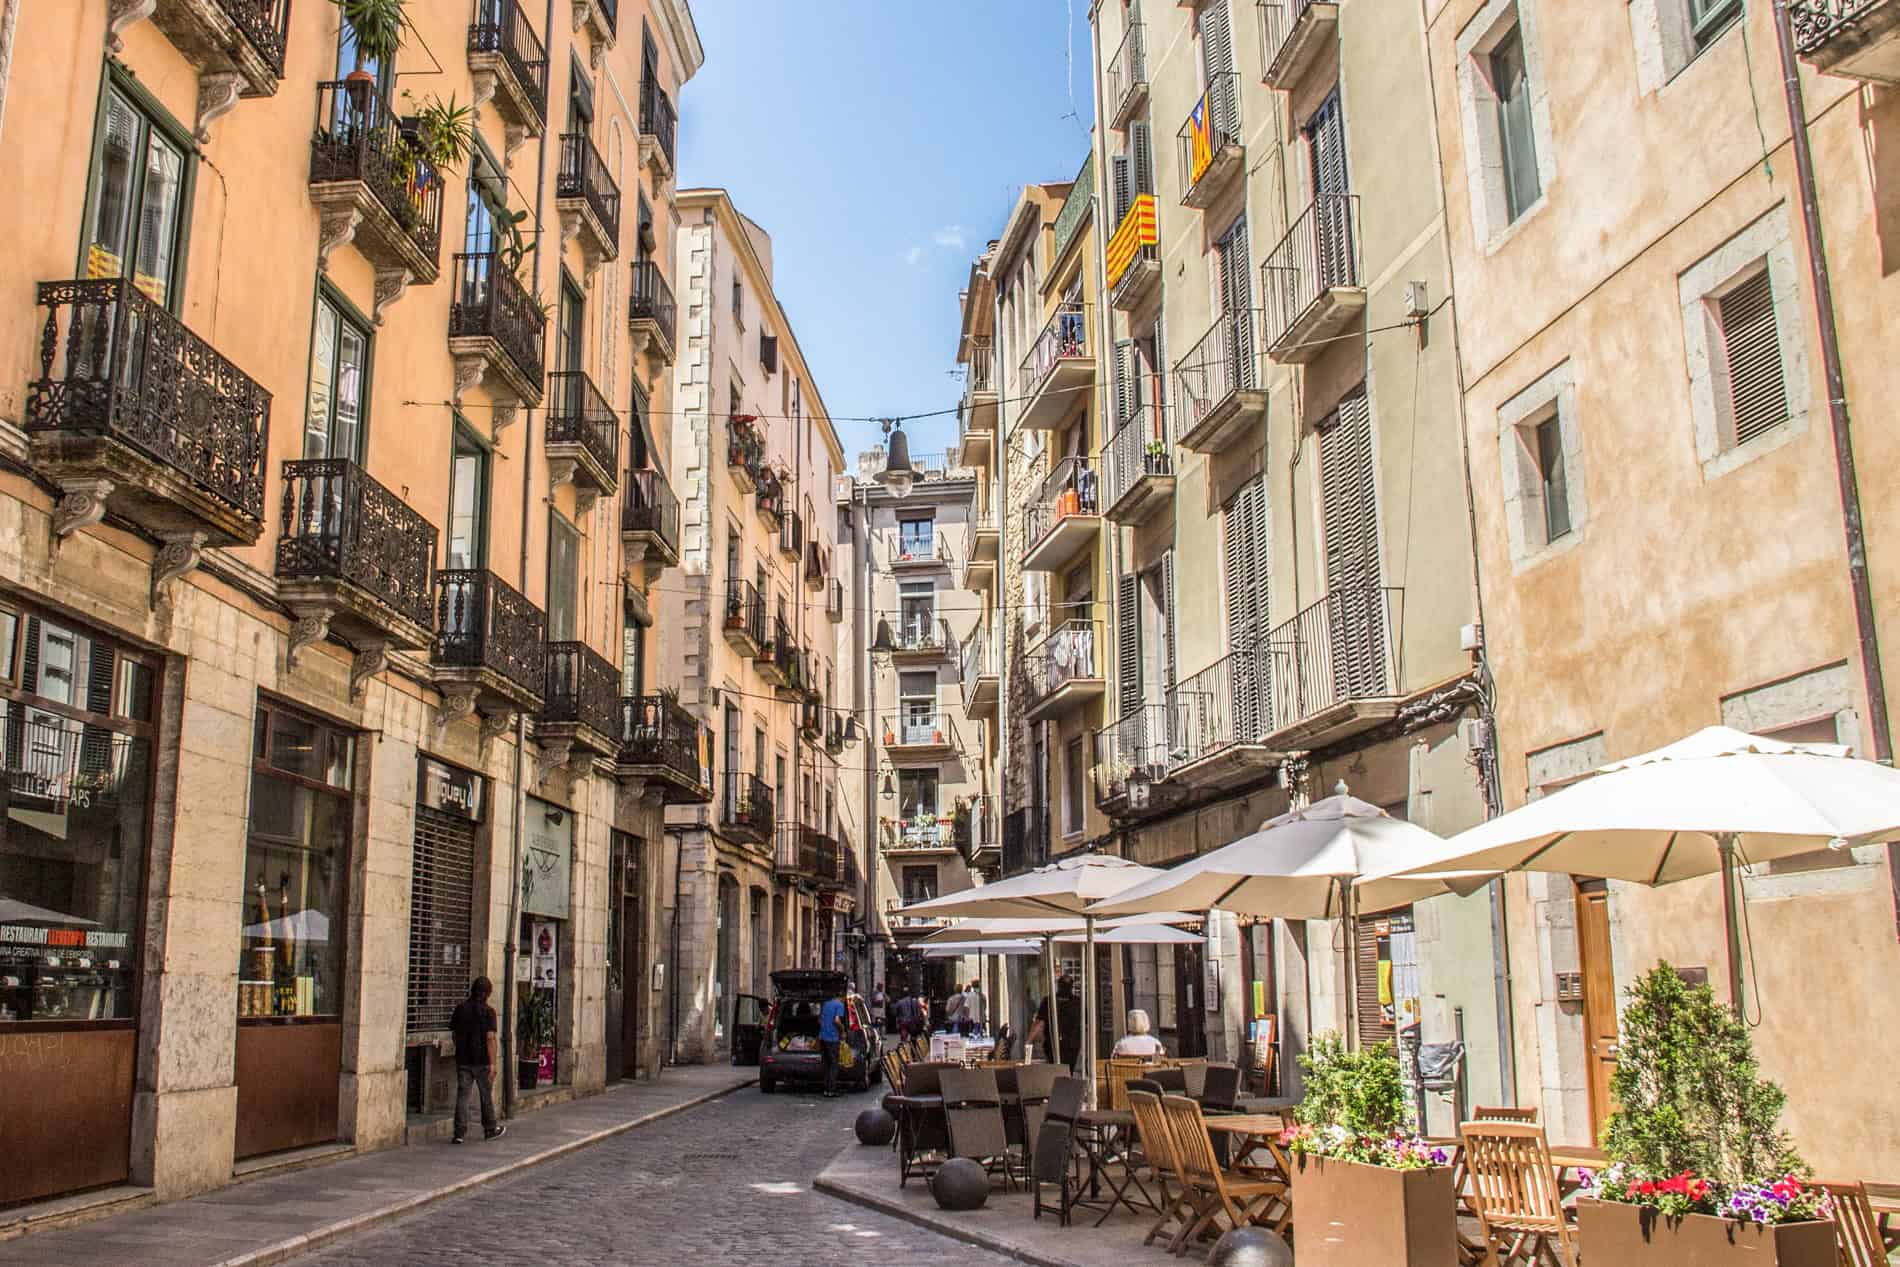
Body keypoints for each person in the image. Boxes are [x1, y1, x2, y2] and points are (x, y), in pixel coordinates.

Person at [450, 977, 506, 1144]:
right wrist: (493, 1063)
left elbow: (454, 1034)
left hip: (463, 1059)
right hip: (482, 1060)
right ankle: (490, 1129)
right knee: (485, 1096)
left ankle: (459, 1133)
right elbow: (490, 1038)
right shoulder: (489, 1012)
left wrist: (461, 1049)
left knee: (462, 1096)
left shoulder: (460, 1009)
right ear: (488, 993)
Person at [1028, 975, 1083, 1071]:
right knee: (1067, 1071)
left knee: (1057, 1071)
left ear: (1058, 985)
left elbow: (1040, 1022)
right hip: (1069, 1044)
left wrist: (1029, 1040)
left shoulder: (1049, 1001)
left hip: (1057, 1043)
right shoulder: (1077, 1002)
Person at [817, 983, 847, 1098]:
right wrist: (842, 1030)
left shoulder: (826, 1004)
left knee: (826, 1064)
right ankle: (831, 1090)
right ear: (841, 996)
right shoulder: (839, 1005)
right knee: (834, 1064)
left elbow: (819, 1020)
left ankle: (825, 1089)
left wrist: (825, 1027)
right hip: (832, 1038)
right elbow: (837, 1020)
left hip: (823, 1037)